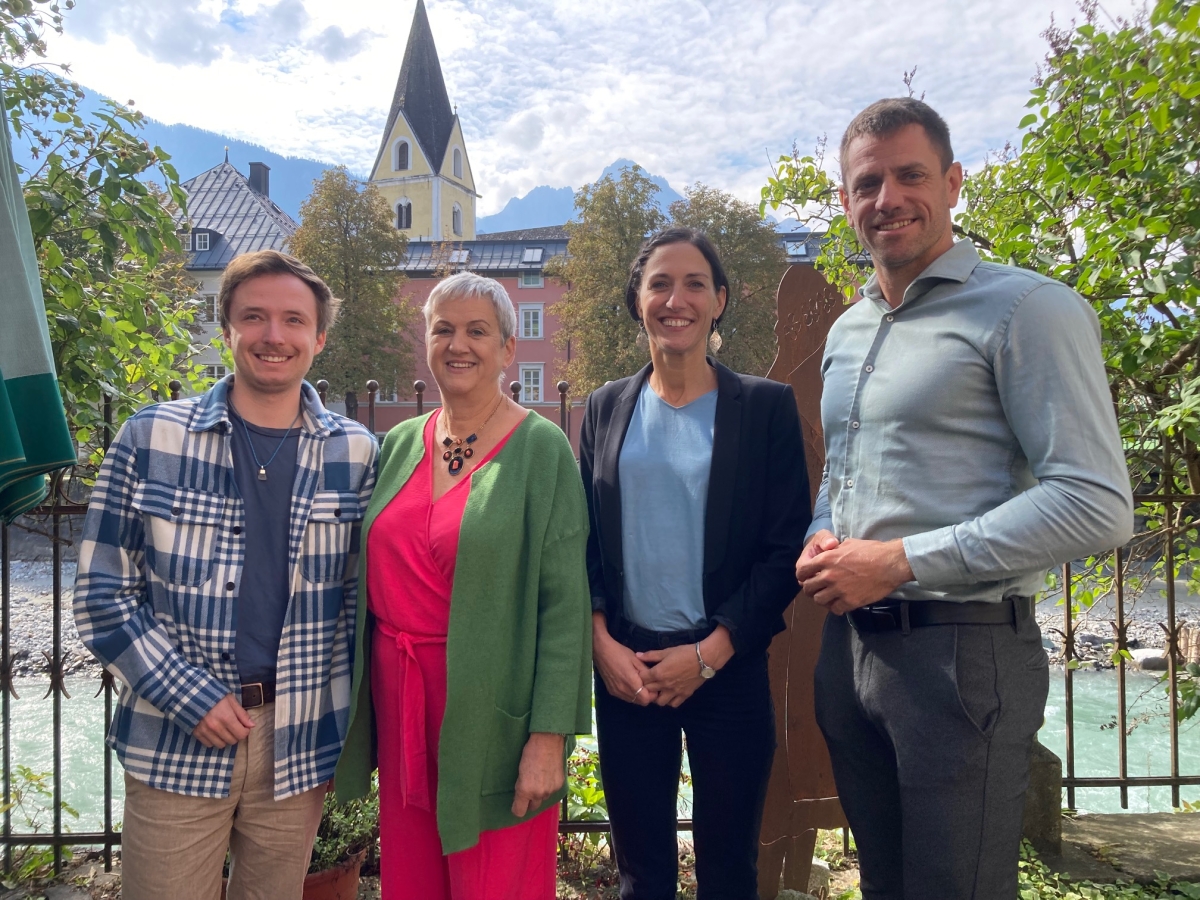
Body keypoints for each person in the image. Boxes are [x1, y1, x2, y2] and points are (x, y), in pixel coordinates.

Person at [795, 98, 1134, 899]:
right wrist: (823, 530)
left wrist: (902, 561)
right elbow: (843, 474)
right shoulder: (848, 331)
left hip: (964, 656)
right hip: (851, 653)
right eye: (867, 183)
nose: (888, 199)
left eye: (910, 175)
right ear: (845, 200)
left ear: (952, 183)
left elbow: (1096, 501)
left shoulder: (1029, 309)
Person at [73, 250, 378, 900]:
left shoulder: (356, 453)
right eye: (255, 316)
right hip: (176, 732)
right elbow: (102, 593)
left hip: (298, 739)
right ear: (226, 329)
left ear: (319, 338)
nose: (274, 335)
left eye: (294, 320)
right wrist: (189, 696)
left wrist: (349, 739)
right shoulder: (151, 438)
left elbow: (359, 608)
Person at [335, 271, 592, 900]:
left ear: (508, 348)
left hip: (493, 712)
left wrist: (548, 738)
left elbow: (564, 608)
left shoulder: (542, 449)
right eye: (443, 329)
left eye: (478, 331)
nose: (459, 345)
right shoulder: (400, 442)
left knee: (494, 881)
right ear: (425, 341)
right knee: (413, 878)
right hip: (402, 704)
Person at [580, 227, 811, 899]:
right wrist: (600, 642)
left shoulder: (764, 408)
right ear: (638, 300)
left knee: (729, 872)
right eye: (659, 284)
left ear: (719, 301)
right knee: (641, 876)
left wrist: (711, 654)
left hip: (727, 669)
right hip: (629, 673)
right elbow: (582, 539)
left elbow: (784, 549)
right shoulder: (605, 407)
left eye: (694, 284)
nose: (675, 299)